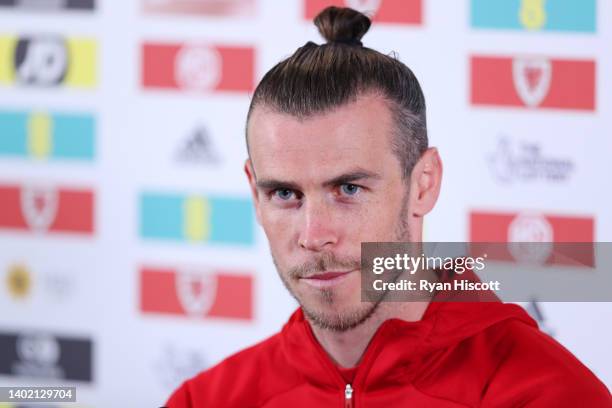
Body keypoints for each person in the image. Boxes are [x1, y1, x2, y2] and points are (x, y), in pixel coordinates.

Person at [165, 6, 611, 407]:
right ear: (254, 194)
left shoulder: (548, 394)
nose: (313, 234)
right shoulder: (206, 399)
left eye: (349, 189)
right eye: (285, 194)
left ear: (424, 184)